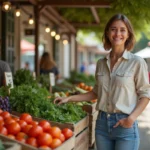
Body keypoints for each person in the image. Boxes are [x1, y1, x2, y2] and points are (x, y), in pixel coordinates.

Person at [54, 14, 150, 150]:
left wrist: (131, 119)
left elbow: (145, 94)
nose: (117, 33)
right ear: (107, 33)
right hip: (102, 125)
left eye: (122, 30)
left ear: (128, 34)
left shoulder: (137, 62)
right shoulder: (101, 63)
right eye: (113, 29)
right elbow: (95, 93)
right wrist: (68, 98)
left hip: (125, 125)